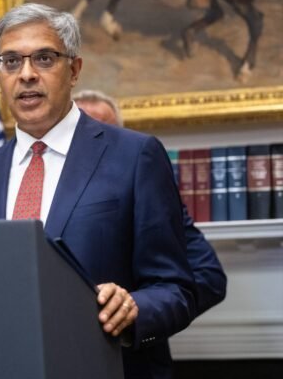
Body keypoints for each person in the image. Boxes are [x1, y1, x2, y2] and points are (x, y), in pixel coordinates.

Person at [0, 3, 196, 379]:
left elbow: (176, 289)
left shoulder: (135, 157)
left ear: (74, 70)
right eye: (11, 61)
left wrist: (133, 308)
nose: (26, 74)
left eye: (44, 58)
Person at [74, 89, 227, 317]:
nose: (91, 142)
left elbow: (209, 276)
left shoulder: (145, 190)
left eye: (101, 133)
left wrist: (134, 308)